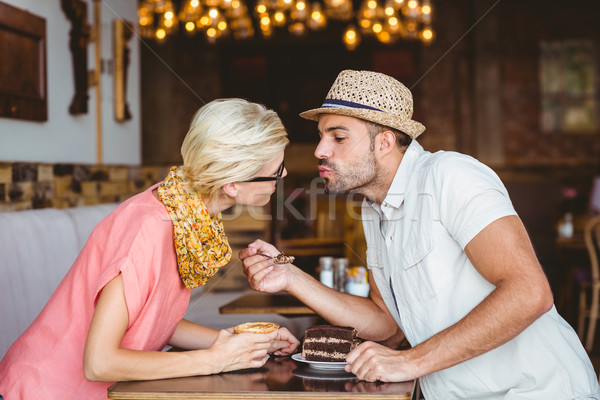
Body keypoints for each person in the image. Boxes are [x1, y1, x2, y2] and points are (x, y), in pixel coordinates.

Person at [240, 70, 600, 399]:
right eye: (322, 137)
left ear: (383, 142)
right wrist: (290, 277)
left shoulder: (450, 176)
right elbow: (387, 325)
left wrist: (410, 362)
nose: (320, 150)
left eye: (338, 137)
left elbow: (529, 293)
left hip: (534, 390)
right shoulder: (373, 209)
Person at [0, 98, 299, 399]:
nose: (283, 176)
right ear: (232, 184)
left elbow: (155, 320)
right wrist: (212, 361)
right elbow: (98, 363)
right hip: (41, 392)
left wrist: (243, 343)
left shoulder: (187, 215)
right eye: (277, 169)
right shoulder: (150, 227)